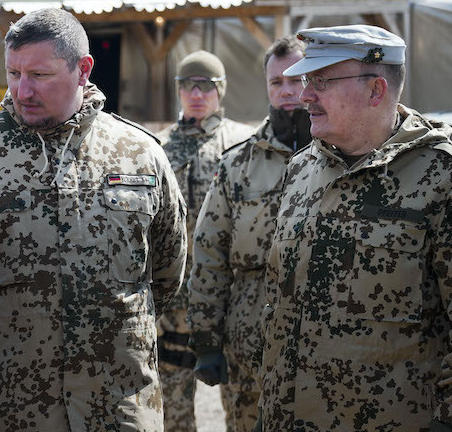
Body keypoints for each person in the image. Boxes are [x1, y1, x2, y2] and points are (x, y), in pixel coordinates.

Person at [0, 8, 187, 431]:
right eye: (14, 72)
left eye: (39, 75)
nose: (22, 90)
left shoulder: (141, 154)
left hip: (113, 407)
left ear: (83, 69)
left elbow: (166, 272)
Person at [259, 25, 452, 431]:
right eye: (306, 80)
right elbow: (279, 305)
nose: (305, 94)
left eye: (321, 81)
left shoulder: (440, 174)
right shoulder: (302, 169)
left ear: (376, 91)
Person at [185, 36, 309, 432]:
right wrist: (206, 339)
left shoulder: (344, 156)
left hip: (323, 350)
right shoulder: (240, 163)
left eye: (296, 79)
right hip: (249, 347)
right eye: (277, 83)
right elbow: (210, 252)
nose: (287, 91)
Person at [155, 49, 254, 432]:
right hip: (174, 300)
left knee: (242, 401)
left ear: (221, 90)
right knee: (172, 407)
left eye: (206, 86)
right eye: (188, 85)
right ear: (178, 90)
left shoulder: (243, 145)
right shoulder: (158, 147)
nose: (197, 93)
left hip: (228, 298)